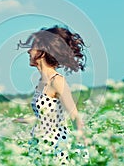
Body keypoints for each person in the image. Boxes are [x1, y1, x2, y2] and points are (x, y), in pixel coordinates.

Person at [14, 25, 88, 164]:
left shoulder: (57, 81)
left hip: (55, 148)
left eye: (33, 47)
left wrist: (82, 151)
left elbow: (74, 116)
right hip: (40, 146)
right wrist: (20, 121)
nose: (29, 51)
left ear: (43, 51)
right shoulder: (41, 82)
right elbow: (47, 117)